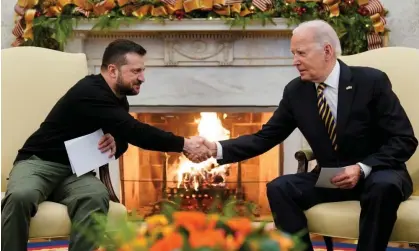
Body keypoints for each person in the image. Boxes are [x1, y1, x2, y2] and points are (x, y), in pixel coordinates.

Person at [199, 20, 418, 251]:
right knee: (279, 188)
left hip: (378, 172)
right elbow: (266, 137)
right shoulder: (296, 92)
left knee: (382, 187)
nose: (295, 61)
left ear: (327, 51)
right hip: (333, 177)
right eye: (293, 53)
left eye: (301, 53)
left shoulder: (371, 82)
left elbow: (404, 140)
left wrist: (362, 167)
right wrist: (216, 148)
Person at [1, 39, 210, 251]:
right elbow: (136, 132)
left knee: (95, 196)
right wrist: (184, 144)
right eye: (136, 71)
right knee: (21, 196)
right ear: (113, 70)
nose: (142, 78)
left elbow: (123, 139)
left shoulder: (118, 98)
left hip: (74, 172)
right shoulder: (90, 91)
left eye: (143, 70)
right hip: (38, 164)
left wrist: (115, 142)